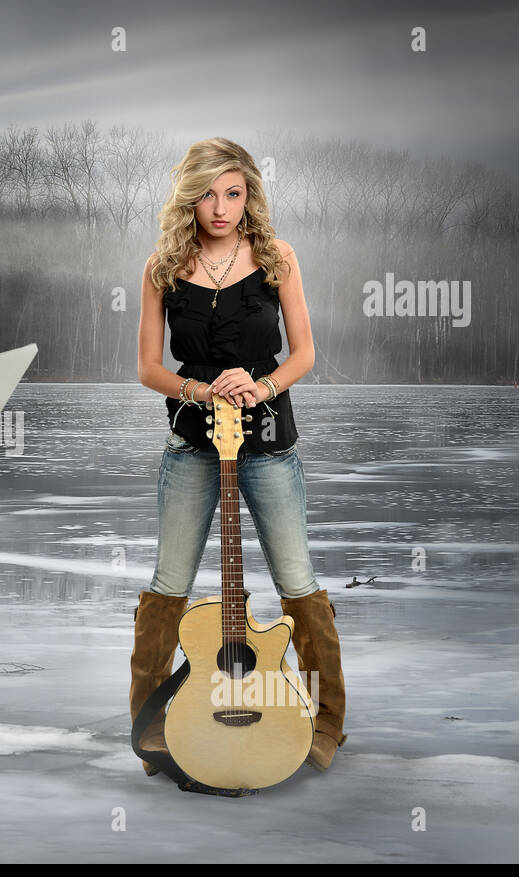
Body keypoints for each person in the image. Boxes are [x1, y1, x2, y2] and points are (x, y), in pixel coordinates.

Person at [130, 138, 348, 779]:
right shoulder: (162, 265)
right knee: (168, 587)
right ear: (188, 198)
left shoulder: (278, 257)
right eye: (206, 193)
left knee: (297, 582)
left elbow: (304, 353)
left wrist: (262, 386)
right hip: (192, 442)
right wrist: (200, 389)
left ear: (249, 193)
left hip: (269, 440)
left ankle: (325, 723)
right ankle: (152, 732)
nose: (220, 207)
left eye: (233, 192)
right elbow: (148, 368)